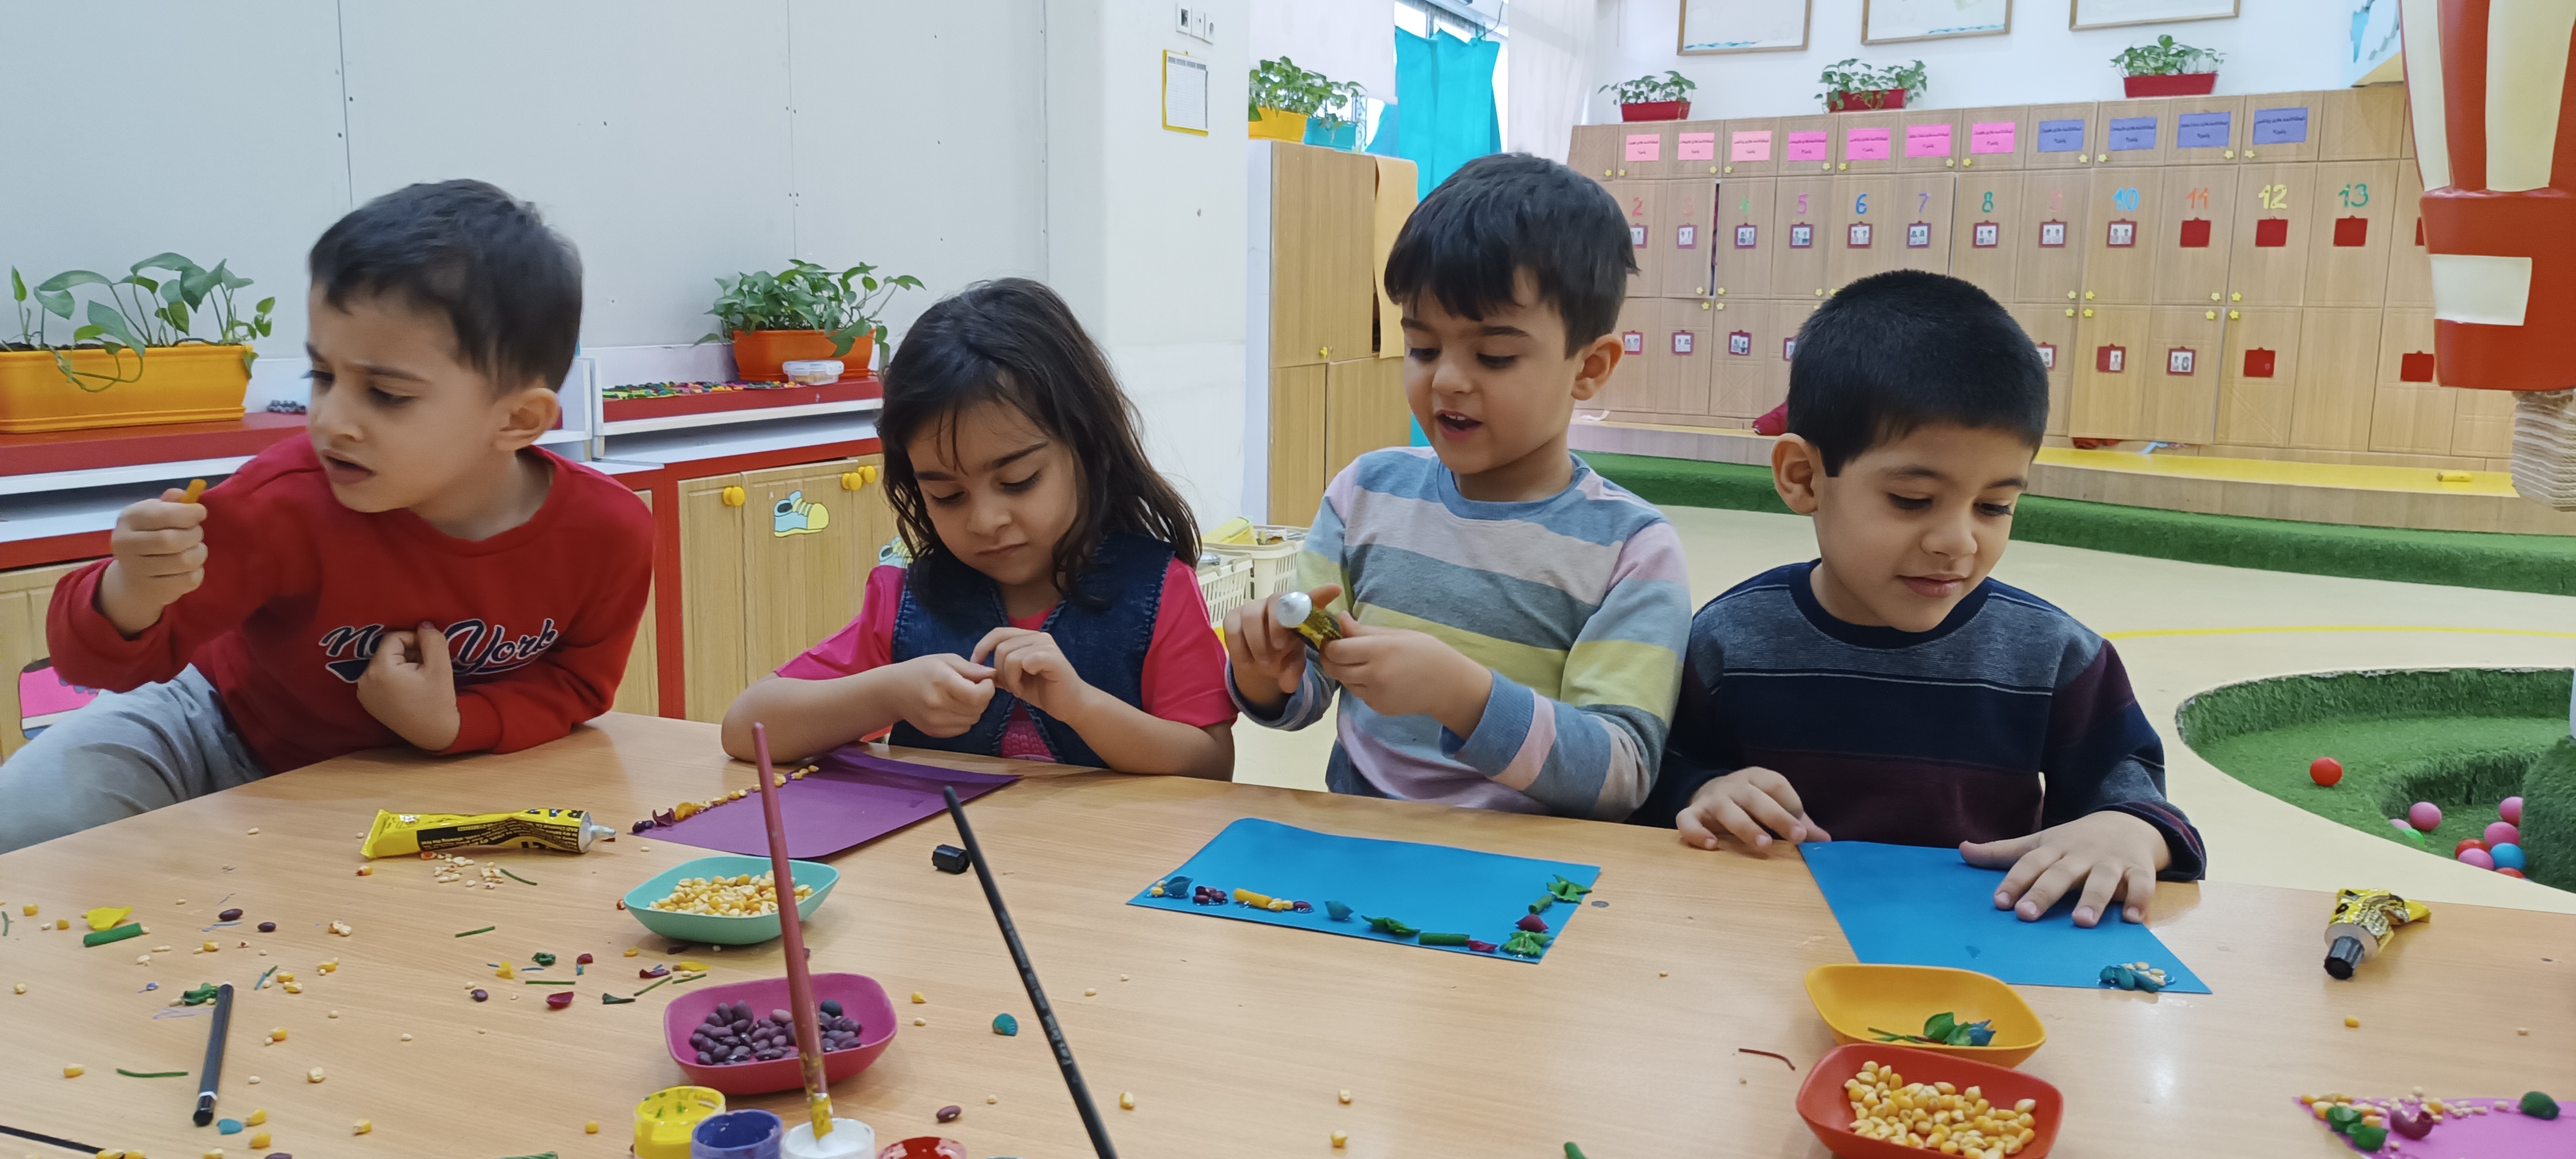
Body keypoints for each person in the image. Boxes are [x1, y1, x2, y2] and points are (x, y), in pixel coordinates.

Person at [6, 179, 653, 853]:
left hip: (425, 779)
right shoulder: (281, 500)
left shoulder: (606, 532)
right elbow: (95, 665)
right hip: (219, 728)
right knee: (32, 812)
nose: (330, 421)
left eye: (386, 393)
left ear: (517, 419)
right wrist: (130, 591)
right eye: (322, 376)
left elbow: (577, 685)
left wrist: (453, 724)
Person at [1638, 269, 2206, 926]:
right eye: (1912, 500)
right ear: (1803, 478)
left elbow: (2145, 807)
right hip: (1770, 942)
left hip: (1979, 957)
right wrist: (1703, 790)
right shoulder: (1728, 640)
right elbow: (1652, 780)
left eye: (1994, 506)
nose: (1957, 542)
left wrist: (2129, 831)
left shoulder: (2054, 657)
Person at [1223, 153, 1691, 818]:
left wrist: (1464, 697)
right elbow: (1307, 692)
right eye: (1422, 348)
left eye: (1494, 356)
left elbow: (1620, 772)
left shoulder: (1631, 549)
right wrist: (1265, 676)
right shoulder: (1365, 494)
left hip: (1530, 864)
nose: (1446, 380)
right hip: (1362, 839)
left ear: (1589, 368)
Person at [721, 279, 1235, 776]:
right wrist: (886, 693)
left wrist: (1082, 706)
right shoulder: (907, 606)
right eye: (947, 496)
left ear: (1090, 451)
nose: (985, 522)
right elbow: (746, 729)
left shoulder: (1158, 592)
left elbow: (1210, 765)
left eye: (1018, 481)